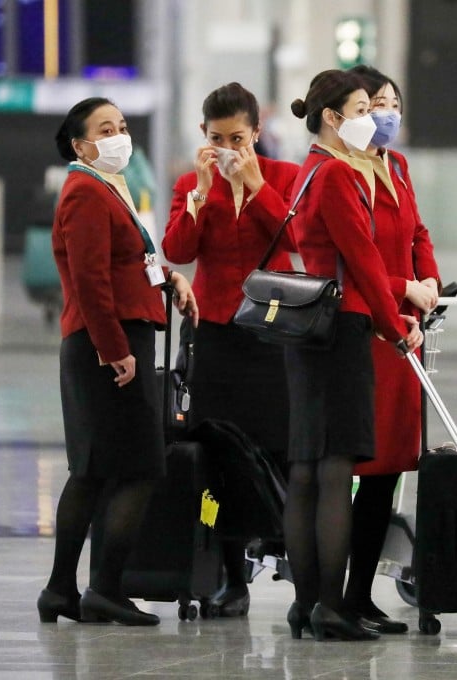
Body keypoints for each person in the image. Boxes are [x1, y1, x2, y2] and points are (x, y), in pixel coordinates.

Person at [38, 97, 198, 627]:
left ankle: (62, 591)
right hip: (105, 348)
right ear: (81, 144)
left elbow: (132, 260)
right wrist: (115, 351)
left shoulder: (107, 189)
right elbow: (90, 281)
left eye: (123, 126)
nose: (118, 136)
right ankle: (102, 588)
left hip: (111, 343)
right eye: (105, 129)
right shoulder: (85, 193)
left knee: (94, 470)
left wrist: (169, 279)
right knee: (138, 468)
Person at [283, 69, 422, 642]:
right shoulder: (337, 175)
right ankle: (331, 607)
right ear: (334, 118)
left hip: (308, 330)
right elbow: (363, 261)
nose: (372, 118)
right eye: (363, 109)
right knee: (336, 470)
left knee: (308, 471)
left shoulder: (306, 172)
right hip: (342, 329)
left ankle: (308, 604)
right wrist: (395, 328)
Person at [162, 82, 299, 617]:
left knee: (282, 450)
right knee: (216, 456)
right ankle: (229, 574)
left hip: (272, 334)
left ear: (256, 134)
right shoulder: (190, 186)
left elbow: (292, 241)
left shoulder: (284, 177)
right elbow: (177, 248)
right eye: (218, 138)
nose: (228, 148)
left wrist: (256, 183)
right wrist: (199, 190)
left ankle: (297, 570)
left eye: (237, 137)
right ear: (203, 135)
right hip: (217, 333)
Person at [344, 65, 441, 635]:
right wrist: (403, 289)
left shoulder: (396, 167)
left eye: (391, 102)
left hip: (407, 326)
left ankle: (361, 593)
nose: (385, 113)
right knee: (367, 467)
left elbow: (416, 234)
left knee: (388, 473)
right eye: (373, 103)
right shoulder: (348, 174)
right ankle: (345, 592)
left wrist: (427, 283)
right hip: (376, 332)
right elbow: (362, 257)